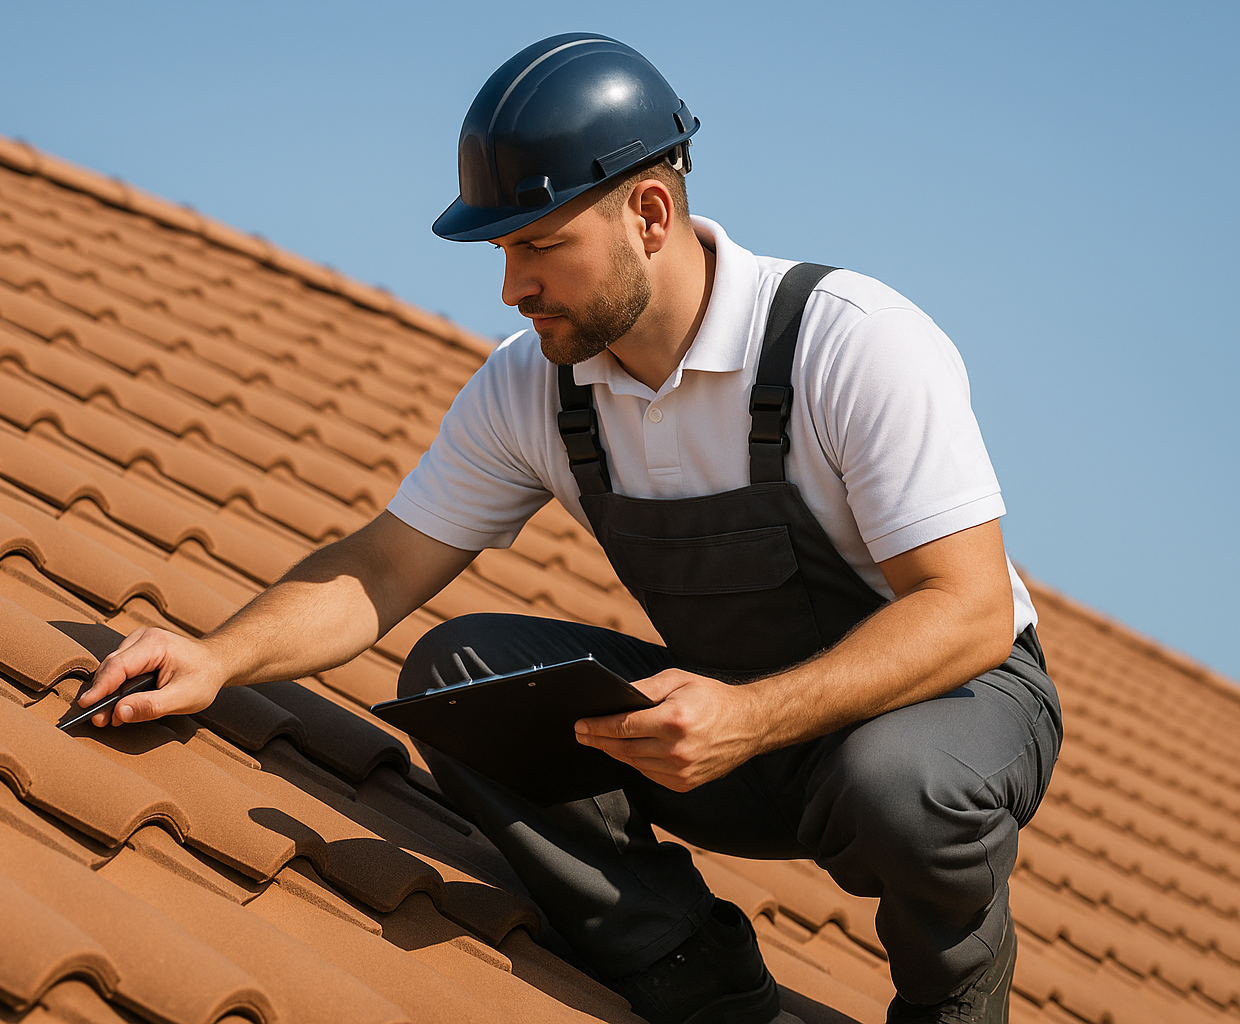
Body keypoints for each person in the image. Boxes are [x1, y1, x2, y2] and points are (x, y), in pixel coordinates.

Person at [77, 33, 1060, 1024]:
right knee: (459, 676)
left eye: (539, 243)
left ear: (650, 213)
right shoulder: (532, 388)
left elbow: (970, 611)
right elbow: (381, 567)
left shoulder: (846, 342)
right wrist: (217, 656)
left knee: (898, 781)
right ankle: (698, 977)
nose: (512, 286)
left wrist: (750, 717)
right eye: (502, 250)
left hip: (954, 708)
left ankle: (954, 1007)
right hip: (736, 735)